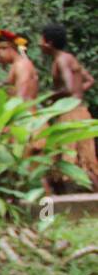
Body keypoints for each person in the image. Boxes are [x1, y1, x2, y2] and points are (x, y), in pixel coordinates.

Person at [40, 23, 98, 191]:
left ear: (48, 43)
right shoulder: (69, 57)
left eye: (41, 40)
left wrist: (49, 96)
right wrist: (78, 94)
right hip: (81, 110)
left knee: (74, 161)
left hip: (71, 114)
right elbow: (89, 81)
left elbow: (69, 88)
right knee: (82, 160)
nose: (39, 43)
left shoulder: (61, 60)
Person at [0, 28, 38, 100]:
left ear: (7, 47)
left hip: (25, 110)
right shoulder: (17, 65)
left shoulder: (22, 65)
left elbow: (22, 95)